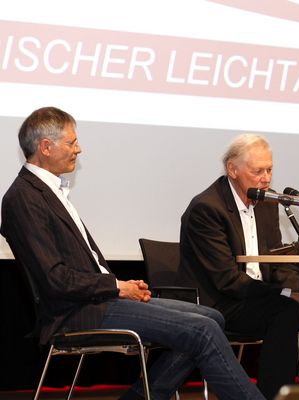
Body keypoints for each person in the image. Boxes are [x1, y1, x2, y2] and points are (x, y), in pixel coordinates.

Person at [0, 107, 266, 400]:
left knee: (212, 317)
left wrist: (121, 288)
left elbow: (82, 265)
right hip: (74, 312)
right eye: (71, 142)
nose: (79, 149)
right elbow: (56, 279)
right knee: (202, 331)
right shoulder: (24, 198)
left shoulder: (48, 191)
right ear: (46, 147)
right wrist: (117, 287)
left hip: (98, 300)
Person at [177, 133, 299, 400]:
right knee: (286, 310)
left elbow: (276, 266)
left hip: (258, 296)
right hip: (219, 302)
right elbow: (227, 280)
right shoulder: (207, 208)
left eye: (269, 170)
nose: (266, 178)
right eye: (258, 171)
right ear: (233, 169)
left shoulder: (266, 205)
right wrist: (289, 295)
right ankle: (274, 396)